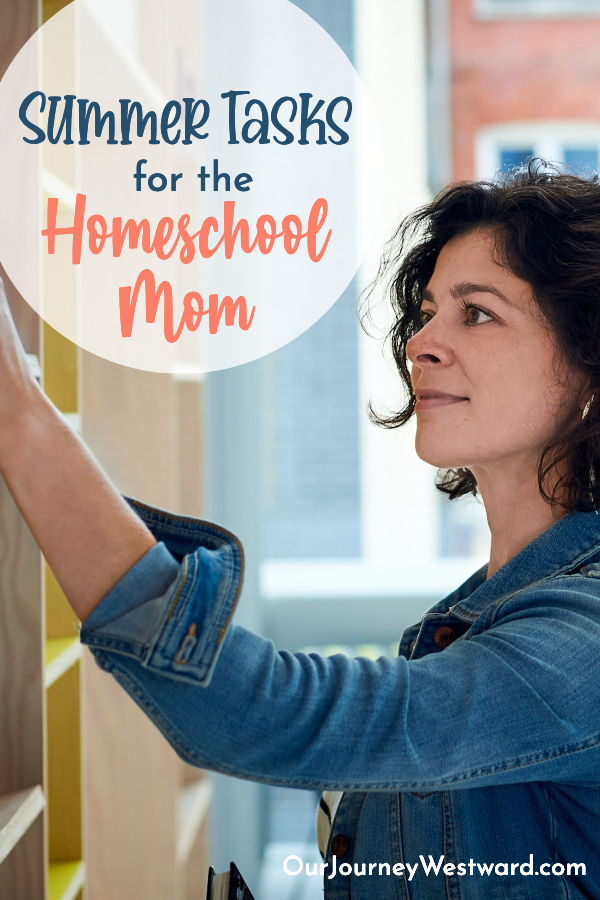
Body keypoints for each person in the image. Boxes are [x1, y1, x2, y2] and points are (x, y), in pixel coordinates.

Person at [2, 158, 600, 898]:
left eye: (476, 312)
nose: (421, 342)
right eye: (428, 312)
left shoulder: (584, 640)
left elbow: (262, 712)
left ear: (589, 373)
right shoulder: (473, 619)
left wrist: (21, 416)